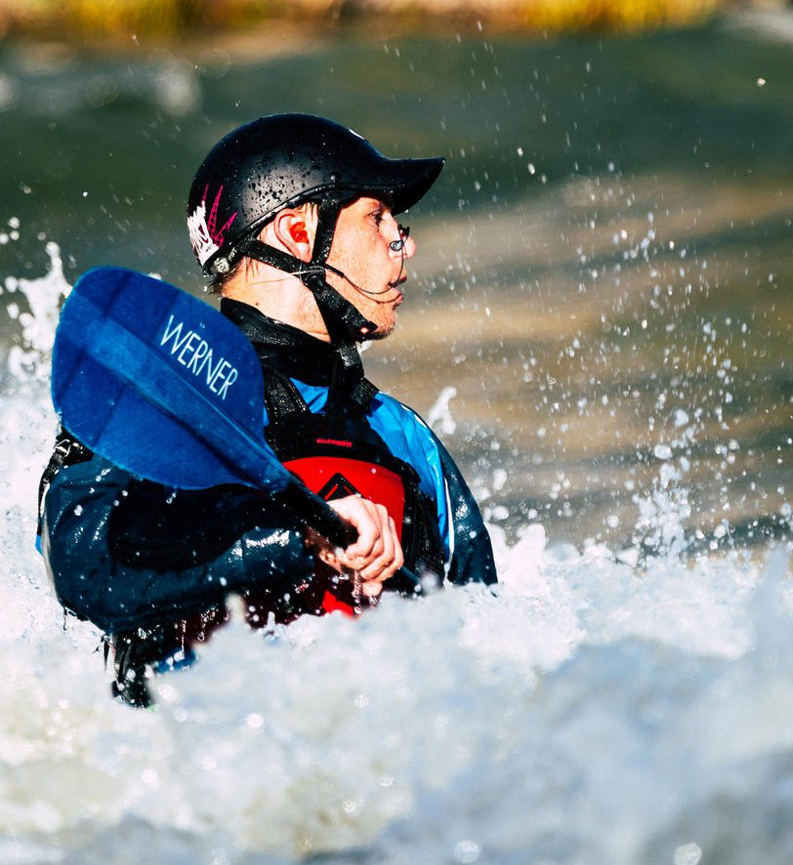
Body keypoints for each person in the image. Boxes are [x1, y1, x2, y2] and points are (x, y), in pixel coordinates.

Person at [38, 113, 497, 706]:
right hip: (194, 746)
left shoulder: (403, 436)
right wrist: (296, 539)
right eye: (376, 217)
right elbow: (83, 570)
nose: (403, 243)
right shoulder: (158, 395)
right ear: (298, 232)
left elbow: (487, 637)